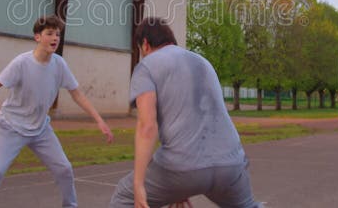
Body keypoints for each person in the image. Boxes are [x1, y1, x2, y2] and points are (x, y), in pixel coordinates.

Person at [0, 14, 114, 208]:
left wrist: (99, 121)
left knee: (65, 169)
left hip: (40, 129)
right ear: (37, 37)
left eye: (58, 34)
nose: (55, 38)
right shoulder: (21, 63)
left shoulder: (59, 64)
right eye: (49, 33)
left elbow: (77, 94)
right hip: (11, 127)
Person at [110, 17, 260, 208]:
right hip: (231, 164)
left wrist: (139, 184)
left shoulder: (146, 67)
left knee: (124, 198)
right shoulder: (203, 62)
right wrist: (178, 189)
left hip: (182, 167)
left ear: (145, 44)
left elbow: (147, 127)